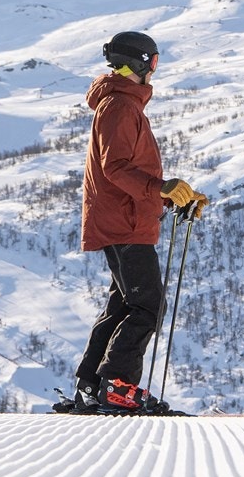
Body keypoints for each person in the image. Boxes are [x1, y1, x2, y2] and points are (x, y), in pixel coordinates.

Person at [67, 30, 208, 415]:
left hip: (125, 217)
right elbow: (116, 168)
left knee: (122, 305)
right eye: (155, 62)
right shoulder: (119, 106)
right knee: (147, 306)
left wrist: (171, 195)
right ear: (140, 63)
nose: (155, 71)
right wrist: (161, 186)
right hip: (124, 221)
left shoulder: (122, 104)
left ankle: (92, 385)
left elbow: (128, 170)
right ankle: (118, 385)